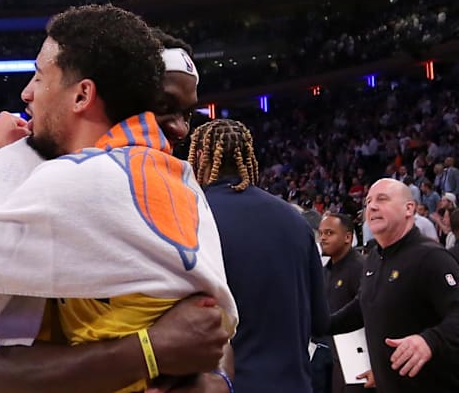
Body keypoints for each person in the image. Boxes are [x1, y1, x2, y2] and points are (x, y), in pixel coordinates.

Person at [0, 5, 236, 393]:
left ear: (83, 94)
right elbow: (214, 330)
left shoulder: (66, 180)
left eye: (39, 75)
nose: (27, 92)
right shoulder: (181, 179)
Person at [187, 119, 329, 393]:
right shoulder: (295, 219)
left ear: (200, 157)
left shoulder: (191, 216)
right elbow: (320, 321)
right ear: (249, 156)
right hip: (294, 385)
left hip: (226, 384)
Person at [331, 178, 459, 392]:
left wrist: (429, 340)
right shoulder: (373, 258)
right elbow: (363, 305)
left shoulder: (432, 257)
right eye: (368, 201)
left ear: (409, 208)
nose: (371, 206)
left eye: (382, 199)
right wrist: (319, 323)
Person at [317, 213, 371, 393]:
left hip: (357, 358)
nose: (323, 238)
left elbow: (367, 313)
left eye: (329, 233)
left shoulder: (360, 268)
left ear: (348, 237)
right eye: (321, 233)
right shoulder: (325, 270)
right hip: (330, 355)